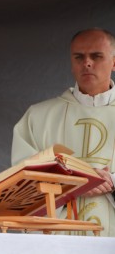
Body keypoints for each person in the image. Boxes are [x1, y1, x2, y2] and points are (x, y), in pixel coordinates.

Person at [11, 28, 115, 236]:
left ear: (113, 62)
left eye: (96, 56)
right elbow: (21, 180)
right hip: (57, 239)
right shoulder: (38, 116)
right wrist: (72, 182)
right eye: (79, 57)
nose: (86, 63)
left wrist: (112, 180)